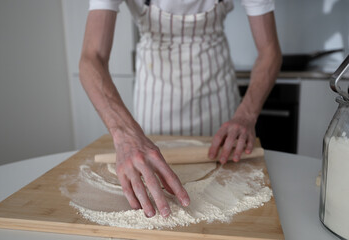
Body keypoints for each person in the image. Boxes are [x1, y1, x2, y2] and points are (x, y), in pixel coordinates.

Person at [79, 0, 282, 218]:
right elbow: (92, 58)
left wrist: (246, 114)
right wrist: (126, 134)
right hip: (155, 98)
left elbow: (269, 50)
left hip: (217, 99)